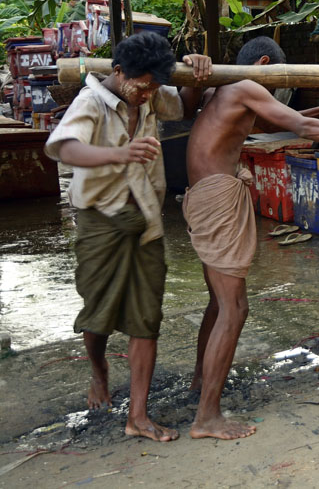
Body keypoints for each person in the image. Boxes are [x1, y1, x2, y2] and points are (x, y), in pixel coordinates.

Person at [182, 36, 319, 440]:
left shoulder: (222, 89)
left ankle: (200, 384)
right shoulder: (247, 87)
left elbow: (274, 121)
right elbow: (297, 126)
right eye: (276, 81)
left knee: (219, 302)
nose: (275, 90)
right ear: (264, 65)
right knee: (235, 309)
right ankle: (206, 418)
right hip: (217, 198)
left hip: (200, 196)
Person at [44, 32, 213, 442]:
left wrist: (197, 73)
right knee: (99, 312)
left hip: (147, 219)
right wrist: (118, 154)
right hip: (100, 219)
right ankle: (99, 368)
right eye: (143, 84)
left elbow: (185, 108)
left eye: (155, 85)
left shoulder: (151, 92)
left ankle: (138, 416)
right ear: (118, 73)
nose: (148, 92)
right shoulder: (92, 102)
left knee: (146, 317)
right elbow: (64, 148)